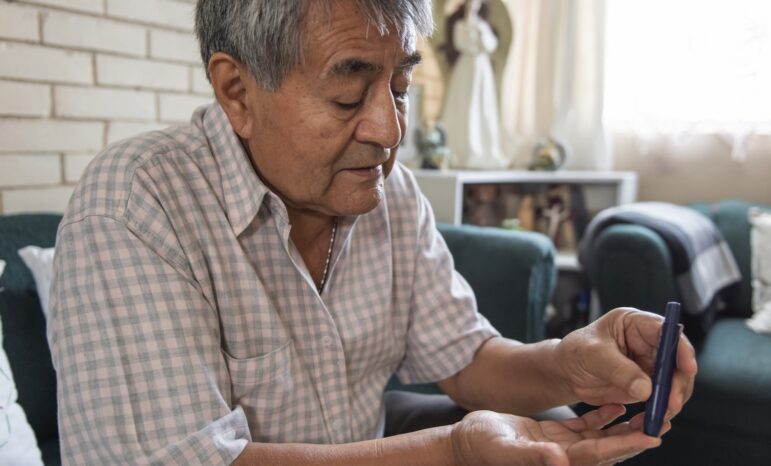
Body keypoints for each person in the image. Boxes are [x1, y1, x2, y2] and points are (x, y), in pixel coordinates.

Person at [48, 1, 696, 465]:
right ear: (237, 91)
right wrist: (450, 453)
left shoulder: (390, 194)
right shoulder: (138, 203)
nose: (388, 131)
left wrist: (569, 362)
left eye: (401, 85)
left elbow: (465, 359)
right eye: (348, 94)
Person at [440, 0, 509, 169]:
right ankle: (462, 149)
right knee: (464, 104)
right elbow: (461, 44)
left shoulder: (483, 25)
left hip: (481, 70)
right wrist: (470, 28)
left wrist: (479, 31)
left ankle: (482, 148)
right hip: (465, 68)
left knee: (481, 106)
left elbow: (491, 45)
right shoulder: (460, 25)